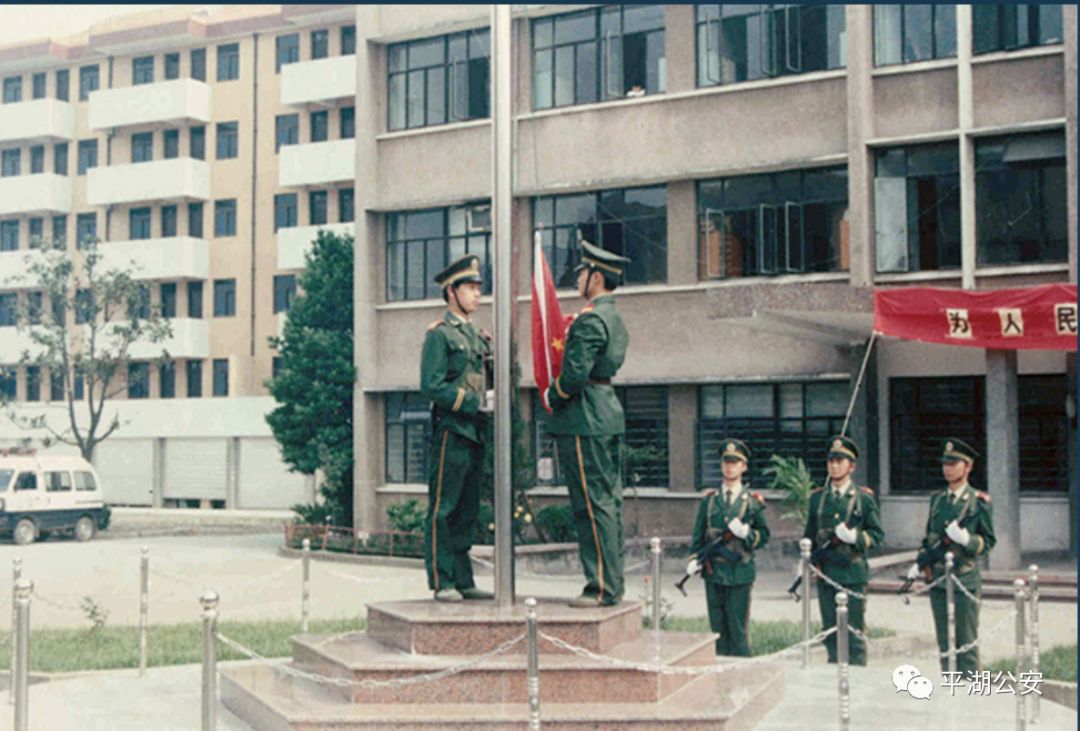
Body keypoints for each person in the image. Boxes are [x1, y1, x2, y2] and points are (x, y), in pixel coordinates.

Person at [545, 240, 630, 608]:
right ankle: (612, 583)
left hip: (585, 418)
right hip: (605, 412)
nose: (577, 278)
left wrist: (553, 394)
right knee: (608, 502)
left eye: (581, 273)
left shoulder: (591, 319)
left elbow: (575, 375)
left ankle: (599, 587)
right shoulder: (614, 317)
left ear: (595, 277)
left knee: (591, 505)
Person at [420, 255, 495, 603]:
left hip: (477, 429)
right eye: (470, 288)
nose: (477, 294)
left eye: (479, 288)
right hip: (453, 428)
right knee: (444, 507)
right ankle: (442, 580)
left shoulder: (479, 337)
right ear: (451, 292)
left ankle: (464, 579)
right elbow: (432, 386)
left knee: (468, 509)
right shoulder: (440, 336)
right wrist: (471, 402)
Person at [906, 438, 996, 676]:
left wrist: (967, 539)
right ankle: (949, 688)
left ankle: (970, 695)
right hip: (938, 579)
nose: (947, 468)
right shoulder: (937, 501)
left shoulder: (978, 503)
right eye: (945, 463)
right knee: (945, 643)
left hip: (964, 578)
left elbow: (988, 542)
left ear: (968, 467)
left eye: (954, 463)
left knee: (966, 644)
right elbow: (930, 538)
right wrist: (919, 562)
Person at [803, 436, 884, 666]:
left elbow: (877, 535)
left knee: (854, 634)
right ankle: (832, 678)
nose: (834, 465)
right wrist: (807, 564)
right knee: (830, 633)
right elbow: (809, 536)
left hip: (852, 574)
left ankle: (857, 682)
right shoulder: (818, 499)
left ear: (852, 466)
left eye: (840, 461)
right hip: (827, 574)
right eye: (831, 461)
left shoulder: (863, 499)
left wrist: (855, 537)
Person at [689, 438, 769, 656]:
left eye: (735, 463)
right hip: (713, 573)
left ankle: (742, 678)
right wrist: (693, 560)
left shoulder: (752, 502)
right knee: (717, 630)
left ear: (743, 467)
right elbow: (698, 538)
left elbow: (764, 536)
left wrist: (747, 534)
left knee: (738, 630)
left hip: (739, 573)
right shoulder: (710, 502)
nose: (729, 467)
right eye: (726, 462)